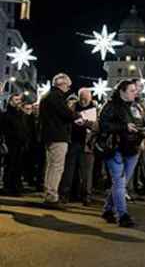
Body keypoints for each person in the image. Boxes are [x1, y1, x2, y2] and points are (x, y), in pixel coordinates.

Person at [99, 80, 145, 227]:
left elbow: (141, 123)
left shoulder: (137, 106)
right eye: (132, 90)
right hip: (115, 148)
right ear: (122, 91)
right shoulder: (111, 106)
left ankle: (108, 209)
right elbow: (104, 125)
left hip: (133, 148)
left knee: (121, 182)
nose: (136, 92)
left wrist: (144, 131)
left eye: (136, 90)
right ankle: (123, 215)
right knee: (120, 183)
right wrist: (124, 127)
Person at [39, 73, 83, 209]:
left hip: (49, 135)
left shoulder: (47, 96)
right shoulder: (56, 96)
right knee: (57, 167)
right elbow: (66, 113)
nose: (68, 88)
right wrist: (78, 115)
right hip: (57, 135)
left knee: (51, 166)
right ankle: (52, 196)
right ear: (62, 84)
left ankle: (48, 193)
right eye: (68, 85)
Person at [59, 88, 97, 204]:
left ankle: (86, 196)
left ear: (90, 98)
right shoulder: (72, 107)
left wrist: (85, 123)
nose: (84, 101)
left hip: (88, 144)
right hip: (73, 142)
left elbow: (97, 126)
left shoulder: (96, 109)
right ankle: (65, 194)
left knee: (86, 173)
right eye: (82, 98)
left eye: (86, 98)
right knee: (69, 170)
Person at [1, 93, 29, 196]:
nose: (19, 101)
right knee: (10, 166)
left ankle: (16, 186)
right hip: (10, 144)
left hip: (19, 145)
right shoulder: (6, 114)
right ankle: (8, 187)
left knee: (18, 167)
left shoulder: (21, 114)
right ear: (10, 101)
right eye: (16, 99)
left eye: (19, 99)